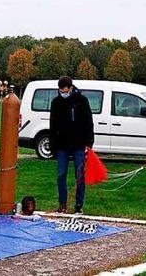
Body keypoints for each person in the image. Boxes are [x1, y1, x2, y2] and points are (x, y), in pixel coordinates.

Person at [50, 76, 94, 214]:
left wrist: (89, 142)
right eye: (61, 90)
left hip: (78, 144)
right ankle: (62, 204)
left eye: (65, 90)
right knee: (61, 174)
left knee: (79, 175)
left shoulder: (81, 101)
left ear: (70, 88)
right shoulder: (56, 102)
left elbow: (88, 121)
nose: (63, 92)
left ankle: (79, 205)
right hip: (62, 145)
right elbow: (53, 124)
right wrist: (53, 145)